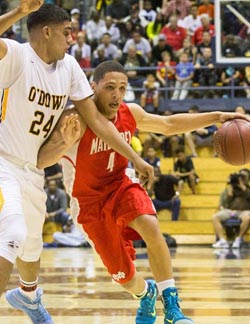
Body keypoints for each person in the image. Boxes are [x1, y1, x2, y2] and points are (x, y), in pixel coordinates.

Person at [38, 60, 248, 324]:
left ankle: (172, 306)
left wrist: (216, 116)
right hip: (88, 204)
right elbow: (42, 162)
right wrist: (63, 142)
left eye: (122, 88)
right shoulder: (76, 121)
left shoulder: (130, 112)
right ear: (93, 87)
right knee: (123, 277)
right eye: (110, 87)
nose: (116, 94)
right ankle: (145, 293)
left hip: (120, 185)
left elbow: (169, 124)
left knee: (150, 225)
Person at [0, 3, 153, 324]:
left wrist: (135, 157)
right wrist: (18, 12)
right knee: (11, 231)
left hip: (32, 167)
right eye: (67, 32)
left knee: (31, 247)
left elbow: (97, 120)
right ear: (46, 31)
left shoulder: (69, 67)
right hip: (2, 160)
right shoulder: (15, 55)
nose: (72, 39)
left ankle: (28, 296)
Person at [212, 172, 250, 249]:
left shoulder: (248, 189)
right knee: (215, 217)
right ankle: (222, 241)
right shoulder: (231, 189)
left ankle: (239, 239)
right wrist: (229, 195)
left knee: (247, 218)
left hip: (244, 211)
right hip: (230, 211)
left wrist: (243, 187)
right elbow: (225, 204)